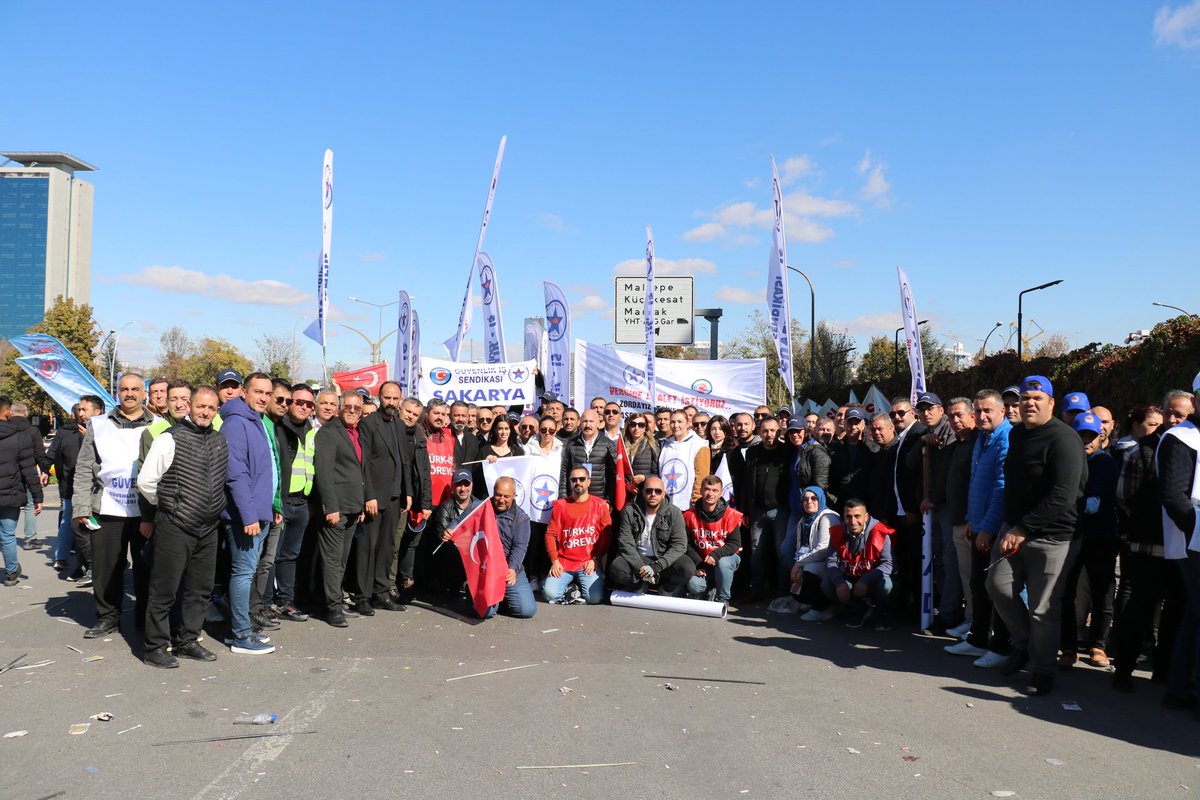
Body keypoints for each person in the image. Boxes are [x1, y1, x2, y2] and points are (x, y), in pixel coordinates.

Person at [986, 375, 1087, 697]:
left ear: (1051, 404)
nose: (1029, 403)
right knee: (997, 585)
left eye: (1037, 399)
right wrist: (1008, 525)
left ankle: (1043, 670)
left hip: (1053, 537)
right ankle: (1026, 644)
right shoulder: (1016, 435)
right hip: (1013, 529)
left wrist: (1023, 528)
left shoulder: (1065, 440)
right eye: (1025, 398)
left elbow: (1064, 494)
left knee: (1044, 607)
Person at [136, 386, 227, 668]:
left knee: (199, 590)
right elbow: (146, 482)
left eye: (211, 408)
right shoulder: (169, 439)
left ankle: (188, 641)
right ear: (189, 406)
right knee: (164, 590)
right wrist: (169, 505)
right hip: (175, 525)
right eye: (201, 406)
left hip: (208, 527)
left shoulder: (220, 440)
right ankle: (155, 647)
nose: (206, 412)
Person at [1110, 392, 1190, 692]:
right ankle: (1124, 669)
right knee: (1140, 607)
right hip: (1148, 546)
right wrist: (1145, 523)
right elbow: (1124, 496)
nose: (1172, 420)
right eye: (1169, 412)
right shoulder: (1142, 451)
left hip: (1182, 549)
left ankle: (1164, 670)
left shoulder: (1190, 448)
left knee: (1177, 611)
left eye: (1180, 415)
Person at [73, 373, 156, 638]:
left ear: (144, 393)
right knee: (106, 569)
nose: (129, 393)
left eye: (135, 389)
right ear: (116, 392)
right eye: (124, 389)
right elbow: (85, 467)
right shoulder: (98, 424)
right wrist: (81, 508)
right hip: (107, 509)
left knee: (147, 569)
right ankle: (107, 617)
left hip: (145, 512)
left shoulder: (160, 425)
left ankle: (146, 618)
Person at [946, 390, 1014, 668]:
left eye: (988, 410)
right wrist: (973, 521)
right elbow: (977, 482)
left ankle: (1001, 646)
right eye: (978, 411)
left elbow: (1001, 488)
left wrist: (986, 527)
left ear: (1001, 412)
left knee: (996, 589)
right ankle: (978, 640)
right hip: (978, 526)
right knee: (978, 586)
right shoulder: (983, 439)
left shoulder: (1006, 438)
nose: (982, 416)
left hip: (995, 529)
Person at [220, 373, 283, 654]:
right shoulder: (236, 423)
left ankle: (244, 629)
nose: (263, 397)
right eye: (258, 392)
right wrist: (249, 516)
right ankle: (240, 636)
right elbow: (236, 475)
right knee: (243, 574)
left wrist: (271, 508)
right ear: (244, 392)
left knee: (247, 572)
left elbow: (267, 471)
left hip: (262, 514)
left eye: (267, 393)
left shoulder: (256, 421)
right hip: (245, 518)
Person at [1059, 412, 1119, 669]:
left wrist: (1070, 505)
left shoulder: (1106, 463)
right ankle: (1069, 648)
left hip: (1101, 538)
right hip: (1070, 536)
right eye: (1081, 434)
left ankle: (1098, 645)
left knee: (1102, 595)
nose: (1086, 440)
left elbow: (1094, 504)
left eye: (1091, 436)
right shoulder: (1066, 460)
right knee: (1066, 595)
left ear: (1100, 437)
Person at [1156, 376, 1200, 710]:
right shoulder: (1182, 437)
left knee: (1193, 614)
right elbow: (1174, 495)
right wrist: (1196, 531)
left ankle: (1180, 687)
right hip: (1194, 543)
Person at [314, 392, 368, 627]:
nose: (353, 411)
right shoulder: (328, 433)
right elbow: (324, 473)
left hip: (353, 507)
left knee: (342, 560)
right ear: (339, 408)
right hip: (337, 508)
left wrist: (361, 503)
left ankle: (336, 600)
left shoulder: (356, 433)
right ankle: (332, 607)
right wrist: (331, 506)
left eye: (357, 408)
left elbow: (357, 471)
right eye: (348, 407)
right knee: (333, 561)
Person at [355, 380, 408, 614]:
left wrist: (408, 492)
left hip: (396, 496)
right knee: (368, 547)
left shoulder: (399, 424)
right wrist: (369, 495)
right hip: (375, 498)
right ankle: (362, 596)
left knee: (387, 548)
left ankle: (381, 592)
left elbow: (402, 460)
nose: (392, 403)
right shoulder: (368, 424)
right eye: (387, 398)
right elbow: (364, 462)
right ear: (379, 398)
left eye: (396, 398)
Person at [926, 396, 974, 633]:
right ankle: (966, 619)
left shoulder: (979, 443)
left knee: (970, 574)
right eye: (952, 416)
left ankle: (972, 622)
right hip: (956, 518)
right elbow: (945, 478)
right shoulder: (956, 446)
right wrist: (932, 499)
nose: (955, 421)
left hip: (971, 520)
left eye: (959, 415)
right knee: (960, 571)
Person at [271, 383, 317, 622]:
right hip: (281, 502)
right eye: (299, 402)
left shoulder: (311, 431)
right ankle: (266, 604)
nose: (304, 407)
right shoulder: (278, 428)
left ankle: (285, 602)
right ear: (290, 403)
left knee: (290, 555)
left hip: (301, 502)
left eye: (309, 404)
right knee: (271, 557)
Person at [608, 476, 690, 594]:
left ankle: (666, 588)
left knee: (687, 567)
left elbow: (680, 545)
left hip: (661, 558)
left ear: (663, 494)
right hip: (638, 557)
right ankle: (638, 585)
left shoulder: (674, 513)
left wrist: (657, 566)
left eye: (658, 491)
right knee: (616, 568)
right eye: (649, 490)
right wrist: (640, 566)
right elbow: (625, 542)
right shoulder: (629, 511)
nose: (653, 494)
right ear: (642, 492)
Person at [822, 498, 896, 628]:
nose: (853, 522)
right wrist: (840, 582)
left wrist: (866, 580)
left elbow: (888, 564)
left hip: (872, 579)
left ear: (866, 517)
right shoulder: (837, 531)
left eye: (857, 516)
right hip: (850, 577)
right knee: (827, 584)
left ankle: (881, 611)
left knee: (886, 586)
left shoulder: (880, 532)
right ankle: (858, 609)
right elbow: (831, 562)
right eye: (848, 517)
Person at [46, 398, 101, 573]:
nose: (81, 413)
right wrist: (50, 473)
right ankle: (77, 562)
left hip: (98, 489)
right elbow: (55, 456)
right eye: (79, 410)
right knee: (75, 524)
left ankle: (89, 563)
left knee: (86, 526)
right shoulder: (66, 432)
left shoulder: (104, 432)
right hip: (72, 487)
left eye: (84, 410)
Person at [544, 467, 611, 604]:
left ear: (589, 482)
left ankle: (579, 586)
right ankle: (571, 587)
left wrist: (596, 559)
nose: (578, 482)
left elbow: (607, 536)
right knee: (550, 595)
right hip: (564, 562)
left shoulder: (600, 505)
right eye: (574, 480)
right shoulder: (560, 506)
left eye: (582, 479)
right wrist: (554, 561)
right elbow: (550, 534)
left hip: (588, 562)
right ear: (570, 482)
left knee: (594, 598)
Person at [473, 477, 535, 619]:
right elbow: (462, 519)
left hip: (509, 569)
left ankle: (503, 600)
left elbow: (520, 547)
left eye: (506, 496)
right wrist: (451, 529)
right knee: (484, 612)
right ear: (493, 493)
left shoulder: (522, 518)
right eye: (498, 495)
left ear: (514, 496)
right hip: (485, 570)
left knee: (527, 610)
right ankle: (473, 591)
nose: (501, 500)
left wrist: (512, 568)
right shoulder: (480, 507)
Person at [742, 416, 790, 600]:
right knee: (757, 551)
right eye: (765, 431)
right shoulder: (753, 452)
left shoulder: (787, 451)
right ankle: (757, 589)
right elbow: (747, 483)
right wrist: (746, 510)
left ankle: (783, 591)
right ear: (759, 432)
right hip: (758, 510)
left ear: (780, 432)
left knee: (781, 551)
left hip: (781, 509)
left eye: (773, 431)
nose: (769, 434)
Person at [774, 486, 838, 618]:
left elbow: (823, 549)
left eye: (814, 498)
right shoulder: (804, 520)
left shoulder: (828, 518)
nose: (809, 502)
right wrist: (798, 570)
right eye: (805, 499)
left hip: (830, 564)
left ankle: (823, 608)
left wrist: (799, 564)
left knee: (809, 569)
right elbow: (800, 547)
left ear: (820, 499)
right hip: (811, 561)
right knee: (798, 595)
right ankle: (812, 600)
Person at [1, 396, 43, 586]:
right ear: (8, 412)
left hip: (10, 492)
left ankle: (11, 570)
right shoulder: (20, 437)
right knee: (7, 534)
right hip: (11, 494)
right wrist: (37, 496)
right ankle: (11, 572)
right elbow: (28, 470)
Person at [393, 397, 432, 596]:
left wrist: (425, 502)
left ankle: (400, 581)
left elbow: (424, 470)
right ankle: (389, 585)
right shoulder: (391, 429)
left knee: (408, 543)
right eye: (408, 411)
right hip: (394, 496)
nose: (411, 416)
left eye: (416, 414)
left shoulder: (418, 433)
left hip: (414, 498)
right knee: (393, 544)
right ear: (400, 408)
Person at [683, 475, 743, 602]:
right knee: (694, 585)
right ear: (701, 491)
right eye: (707, 489)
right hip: (702, 561)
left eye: (715, 490)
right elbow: (686, 545)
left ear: (720, 493)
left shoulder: (731, 515)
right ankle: (711, 590)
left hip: (725, 558)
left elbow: (735, 544)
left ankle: (723, 599)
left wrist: (716, 555)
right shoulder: (688, 515)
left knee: (723, 563)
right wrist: (698, 564)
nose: (710, 494)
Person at [7, 402, 48, 552]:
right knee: (30, 504)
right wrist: (44, 470)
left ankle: (6, 536)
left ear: (10, 413)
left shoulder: (5, 428)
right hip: (28, 471)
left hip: (8, 473)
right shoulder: (32, 430)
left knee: (8, 504)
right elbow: (39, 452)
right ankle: (30, 538)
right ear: (26, 414)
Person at [559, 410, 617, 504]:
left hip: (599, 500)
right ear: (580, 423)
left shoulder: (608, 445)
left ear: (598, 423)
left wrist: (609, 501)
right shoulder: (571, 444)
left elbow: (613, 476)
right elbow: (564, 471)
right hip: (575, 498)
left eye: (591, 421)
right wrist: (563, 498)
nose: (587, 425)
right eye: (585, 421)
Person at [658, 410, 710, 511]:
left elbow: (702, 477)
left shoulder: (699, 444)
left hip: (687, 506)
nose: (675, 425)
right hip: (664, 504)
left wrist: (696, 503)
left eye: (680, 422)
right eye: (672, 422)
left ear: (687, 423)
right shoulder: (664, 444)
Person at [828, 407, 872, 510]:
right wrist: (834, 500)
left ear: (863, 424)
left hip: (865, 505)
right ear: (844, 424)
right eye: (850, 423)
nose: (853, 426)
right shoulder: (834, 449)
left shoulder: (872, 449)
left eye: (856, 423)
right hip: (840, 505)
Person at [622, 412, 659, 494]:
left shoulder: (653, 445)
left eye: (641, 425)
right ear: (628, 427)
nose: (636, 428)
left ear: (645, 428)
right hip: (626, 492)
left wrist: (644, 477)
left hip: (645, 492)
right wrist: (626, 484)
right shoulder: (622, 445)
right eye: (633, 424)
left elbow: (658, 473)